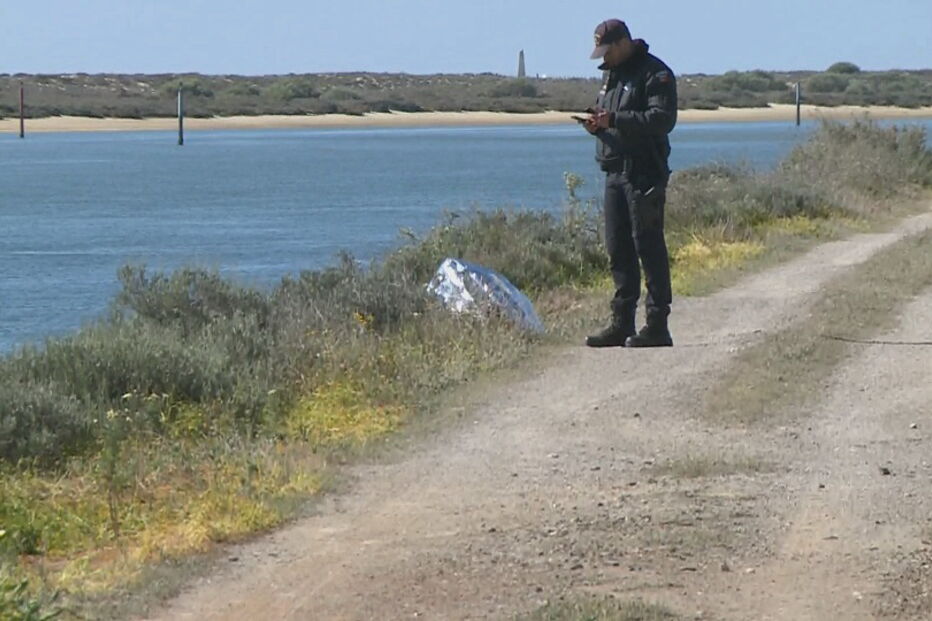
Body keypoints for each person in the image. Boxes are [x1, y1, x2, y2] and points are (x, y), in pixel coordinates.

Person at [581, 19, 677, 348]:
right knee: (618, 249)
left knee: (648, 247)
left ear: (623, 43)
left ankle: (657, 325)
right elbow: (612, 118)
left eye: (607, 50)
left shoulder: (655, 74)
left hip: (644, 173)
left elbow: (662, 120)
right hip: (614, 171)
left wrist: (615, 120)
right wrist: (598, 125)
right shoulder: (612, 75)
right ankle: (622, 323)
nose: (603, 57)